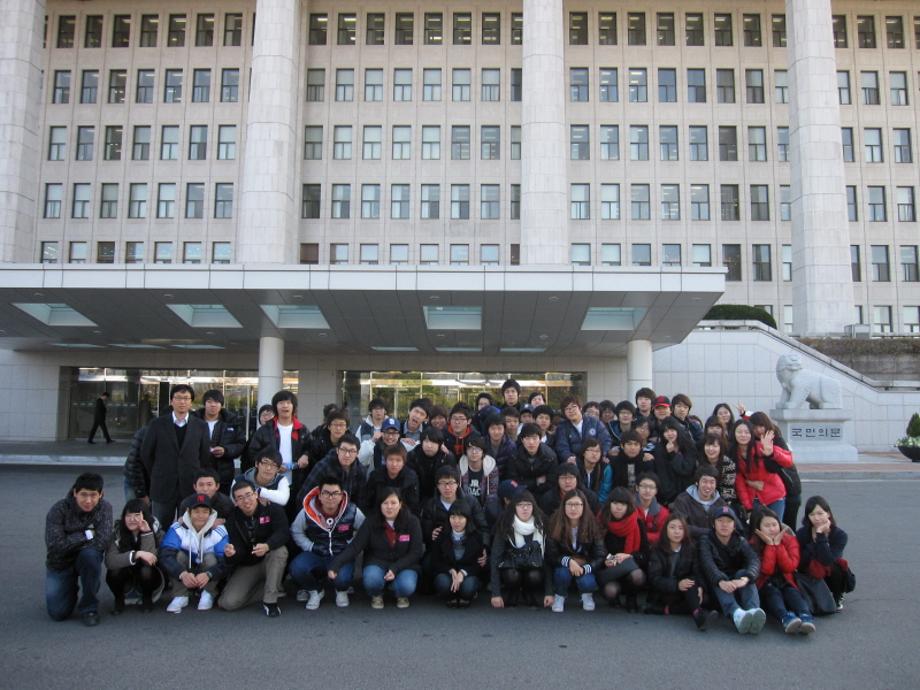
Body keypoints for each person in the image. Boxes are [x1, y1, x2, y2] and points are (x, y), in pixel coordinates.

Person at [328, 488, 424, 609]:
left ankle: (397, 591)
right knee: (372, 581)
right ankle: (377, 593)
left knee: (406, 586)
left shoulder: (412, 521)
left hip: (404, 564)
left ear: (400, 504)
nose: (389, 507)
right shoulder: (371, 522)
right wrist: (336, 564)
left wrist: (395, 568)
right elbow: (355, 546)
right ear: (380, 505)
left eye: (393, 503)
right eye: (385, 503)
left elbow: (416, 552)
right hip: (377, 562)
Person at [139, 384, 212, 529]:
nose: (182, 402)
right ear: (171, 401)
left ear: (191, 402)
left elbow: (204, 456)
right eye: (178, 398)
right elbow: (146, 454)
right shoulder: (157, 424)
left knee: (189, 528)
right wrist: (158, 471)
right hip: (162, 485)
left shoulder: (201, 426)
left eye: (186, 398)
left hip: (189, 485)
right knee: (159, 528)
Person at [45, 472, 113, 625]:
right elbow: (55, 546)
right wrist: (88, 534)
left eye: (93, 495)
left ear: (101, 495)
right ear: (75, 492)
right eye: (83, 494)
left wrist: (70, 538)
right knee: (58, 613)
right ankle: (70, 586)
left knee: (91, 557)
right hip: (60, 562)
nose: (88, 500)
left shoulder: (105, 508)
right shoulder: (58, 509)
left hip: (86, 558)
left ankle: (89, 607)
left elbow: (102, 541)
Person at [290, 475, 365, 609]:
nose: (331, 497)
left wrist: (350, 545)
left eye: (335, 493)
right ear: (319, 495)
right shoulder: (308, 511)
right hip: (317, 553)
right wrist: (310, 546)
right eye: (326, 493)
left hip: (342, 555)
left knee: (343, 579)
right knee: (297, 568)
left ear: (342, 495)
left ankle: (341, 590)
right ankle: (316, 591)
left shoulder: (352, 510)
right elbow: (296, 531)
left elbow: (364, 530)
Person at [218, 480, 289, 617]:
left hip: (271, 558)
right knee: (227, 603)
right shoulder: (233, 518)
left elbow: (284, 532)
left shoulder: (272, 509)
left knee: (280, 551)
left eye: (248, 495)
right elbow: (237, 550)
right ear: (235, 502)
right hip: (249, 564)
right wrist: (231, 553)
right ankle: (272, 587)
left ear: (256, 494)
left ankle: (270, 601)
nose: (246, 500)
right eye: (240, 498)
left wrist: (268, 545)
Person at [698, 504, 766, 634]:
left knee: (744, 573)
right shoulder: (705, 540)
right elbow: (707, 564)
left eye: (729, 521)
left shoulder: (740, 540)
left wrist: (745, 578)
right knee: (719, 577)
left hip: (735, 584)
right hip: (715, 587)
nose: (724, 525)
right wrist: (720, 580)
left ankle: (753, 611)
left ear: (734, 525)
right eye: (720, 521)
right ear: (713, 524)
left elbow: (754, 560)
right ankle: (736, 614)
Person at [749, 508, 816, 635]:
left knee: (792, 592)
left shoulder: (789, 540)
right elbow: (766, 570)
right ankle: (785, 618)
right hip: (765, 582)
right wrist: (770, 546)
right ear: (758, 529)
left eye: (774, 524)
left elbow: (789, 567)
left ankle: (806, 616)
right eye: (767, 526)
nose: (772, 529)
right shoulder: (753, 543)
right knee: (773, 593)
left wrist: (778, 546)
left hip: (786, 578)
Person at [159, 493, 228, 614]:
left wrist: (209, 574)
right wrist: (181, 573)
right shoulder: (177, 528)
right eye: (196, 511)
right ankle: (180, 595)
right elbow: (166, 555)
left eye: (205, 512)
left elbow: (225, 561)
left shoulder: (219, 530)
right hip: (186, 569)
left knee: (211, 558)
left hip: (206, 571)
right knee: (179, 555)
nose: (200, 516)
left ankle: (208, 593)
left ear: (211, 513)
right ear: (188, 512)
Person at [646, 515, 719, 630]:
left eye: (681, 528)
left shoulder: (690, 547)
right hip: (663, 592)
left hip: (684, 591)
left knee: (704, 597)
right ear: (665, 530)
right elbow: (654, 579)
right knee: (694, 597)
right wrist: (677, 585)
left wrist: (700, 586)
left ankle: (670, 610)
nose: (677, 532)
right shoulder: (657, 549)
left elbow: (697, 571)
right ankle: (698, 616)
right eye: (672, 527)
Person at [489, 491, 553, 609]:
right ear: (514, 507)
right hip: (511, 568)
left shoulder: (542, 524)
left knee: (534, 575)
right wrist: (495, 594)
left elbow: (548, 558)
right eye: (520, 505)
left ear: (534, 507)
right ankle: (513, 593)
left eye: (528, 505)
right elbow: (495, 558)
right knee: (512, 575)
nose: (525, 508)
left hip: (534, 567)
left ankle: (530, 593)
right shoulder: (505, 523)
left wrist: (549, 592)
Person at [545, 489, 605, 612]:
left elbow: (600, 555)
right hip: (563, 565)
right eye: (570, 504)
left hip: (586, 564)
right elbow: (551, 554)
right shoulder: (554, 522)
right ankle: (560, 595)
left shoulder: (592, 524)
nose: (573, 508)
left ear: (584, 506)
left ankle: (587, 594)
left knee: (587, 581)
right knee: (562, 574)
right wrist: (569, 561)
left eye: (577, 504)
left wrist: (584, 568)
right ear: (564, 506)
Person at [245, 390, 311, 502]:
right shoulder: (265, 430)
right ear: (275, 407)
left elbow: (310, 448)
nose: (285, 406)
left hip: (296, 482)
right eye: (281, 403)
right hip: (270, 484)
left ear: (294, 406)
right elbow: (252, 453)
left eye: (288, 403)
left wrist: (306, 455)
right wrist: (271, 465)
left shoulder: (302, 429)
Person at [105, 498, 163, 614]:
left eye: (137, 515)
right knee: (114, 571)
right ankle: (119, 599)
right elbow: (110, 561)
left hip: (151, 575)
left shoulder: (157, 531)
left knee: (146, 571)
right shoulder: (117, 532)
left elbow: (150, 561)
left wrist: (147, 533)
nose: (132, 519)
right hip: (126, 572)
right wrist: (136, 554)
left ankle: (147, 598)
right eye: (128, 516)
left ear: (144, 516)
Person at [796, 496, 853, 612]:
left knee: (838, 565)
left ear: (828, 514)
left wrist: (820, 536)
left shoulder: (840, 535)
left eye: (820, 513)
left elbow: (828, 560)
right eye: (812, 514)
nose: (816, 518)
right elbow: (800, 562)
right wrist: (815, 542)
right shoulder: (802, 533)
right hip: (809, 572)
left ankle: (837, 595)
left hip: (829, 573)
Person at [730, 419, 793, 519]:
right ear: (734, 434)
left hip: (775, 495)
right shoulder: (733, 454)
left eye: (746, 432)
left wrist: (772, 453)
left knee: (774, 525)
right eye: (739, 432)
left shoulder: (761, 446)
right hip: (754, 498)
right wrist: (748, 507)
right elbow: (739, 483)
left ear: (751, 434)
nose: (743, 435)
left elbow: (788, 460)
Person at [597, 487, 648, 611]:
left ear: (628, 506)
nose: (618, 507)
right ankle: (614, 599)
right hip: (610, 570)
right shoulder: (601, 522)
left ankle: (632, 598)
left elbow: (646, 554)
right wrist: (607, 560)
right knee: (610, 591)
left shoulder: (637, 522)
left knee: (638, 575)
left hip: (630, 569)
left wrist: (628, 556)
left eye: (623, 504)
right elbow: (595, 551)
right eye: (615, 503)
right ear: (609, 504)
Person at [750, 411, 802, 528]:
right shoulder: (754, 443)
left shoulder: (777, 439)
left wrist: (769, 453)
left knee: (787, 527)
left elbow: (774, 468)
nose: (758, 430)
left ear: (766, 424)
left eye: (761, 426)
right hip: (774, 492)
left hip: (790, 489)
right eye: (754, 427)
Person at [431, 502, 485, 607]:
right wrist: (450, 570)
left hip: (467, 574)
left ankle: (466, 595)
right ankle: (450, 596)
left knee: (468, 588)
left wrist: (463, 573)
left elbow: (478, 564)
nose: (456, 521)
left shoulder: (476, 536)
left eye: (460, 518)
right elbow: (435, 561)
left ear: (467, 519)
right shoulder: (441, 534)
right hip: (447, 573)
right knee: (443, 583)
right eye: (453, 517)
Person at [195, 389, 245, 494]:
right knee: (200, 501)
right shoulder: (193, 420)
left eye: (216, 402)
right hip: (198, 471)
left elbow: (241, 444)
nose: (213, 405)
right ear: (204, 404)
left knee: (221, 501)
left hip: (224, 473)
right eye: (209, 402)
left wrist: (225, 450)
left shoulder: (231, 421)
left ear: (221, 404)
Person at [300, 432, 368, 510]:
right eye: (343, 450)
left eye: (352, 451)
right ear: (337, 450)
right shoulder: (324, 466)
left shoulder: (361, 471)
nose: (347, 455)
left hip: (347, 513)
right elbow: (303, 497)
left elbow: (360, 502)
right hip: (321, 511)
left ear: (357, 453)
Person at [669, 466, 727, 538]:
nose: (708, 486)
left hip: (713, 541)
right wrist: (710, 532)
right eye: (704, 481)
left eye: (712, 482)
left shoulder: (721, 503)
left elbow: (729, 521)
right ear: (697, 482)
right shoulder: (683, 500)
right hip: (690, 541)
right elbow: (681, 525)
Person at [651, 417, 698, 504]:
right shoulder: (659, 449)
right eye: (666, 431)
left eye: (672, 430)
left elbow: (686, 469)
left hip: (689, 492)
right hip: (669, 496)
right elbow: (662, 475)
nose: (669, 433)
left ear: (678, 430)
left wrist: (673, 454)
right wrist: (671, 496)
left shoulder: (688, 444)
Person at [365, 444, 421, 514]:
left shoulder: (411, 477)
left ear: (403, 462)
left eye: (398, 460)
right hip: (378, 514)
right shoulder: (375, 476)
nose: (394, 464)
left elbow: (413, 505)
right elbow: (368, 501)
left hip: (403, 515)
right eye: (391, 460)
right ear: (385, 461)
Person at [555, 395, 612, 463]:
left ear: (580, 408)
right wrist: (568, 457)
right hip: (574, 462)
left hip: (595, 459)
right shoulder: (562, 427)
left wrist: (603, 454)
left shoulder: (594, 422)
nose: (571, 411)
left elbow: (606, 440)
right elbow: (562, 447)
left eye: (574, 407)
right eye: (567, 409)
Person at [505, 423, 558, 494]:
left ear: (540, 439)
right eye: (527, 438)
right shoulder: (514, 456)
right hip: (521, 492)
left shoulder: (550, 457)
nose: (531, 442)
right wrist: (535, 482)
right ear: (522, 440)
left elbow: (551, 482)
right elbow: (513, 481)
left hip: (543, 492)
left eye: (534, 438)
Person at [458, 435, 500, 523]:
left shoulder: (491, 468)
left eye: (477, 449)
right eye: (470, 449)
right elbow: (459, 492)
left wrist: (481, 513)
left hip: (484, 507)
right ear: (466, 451)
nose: (474, 452)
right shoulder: (460, 467)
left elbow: (492, 494)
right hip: (466, 507)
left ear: (483, 452)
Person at [699, 433, 737, 510]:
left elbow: (727, 490)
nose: (710, 449)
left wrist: (723, 508)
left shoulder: (728, 464)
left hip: (722, 499)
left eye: (714, 446)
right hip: (701, 498)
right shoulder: (699, 462)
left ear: (720, 448)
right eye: (708, 445)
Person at [634, 472, 669, 546]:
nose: (647, 490)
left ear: (656, 491)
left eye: (651, 487)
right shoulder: (629, 508)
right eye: (644, 486)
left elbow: (663, 534)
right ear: (637, 488)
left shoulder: (663, 512)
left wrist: (643, 536)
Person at [576, 438, 613, 504]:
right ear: (583, 453)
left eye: (597, 451)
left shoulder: (605, 468)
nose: (594, 454)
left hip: (597, 504)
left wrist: (596, 504)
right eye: (591, 450)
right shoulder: (576, 466)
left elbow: (604, 492)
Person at [240, 404, 275, 472]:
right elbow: (246, 456)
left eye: (269, 415)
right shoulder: (255, 434)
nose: (266, 417)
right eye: (263, 415)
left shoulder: (278, 434)